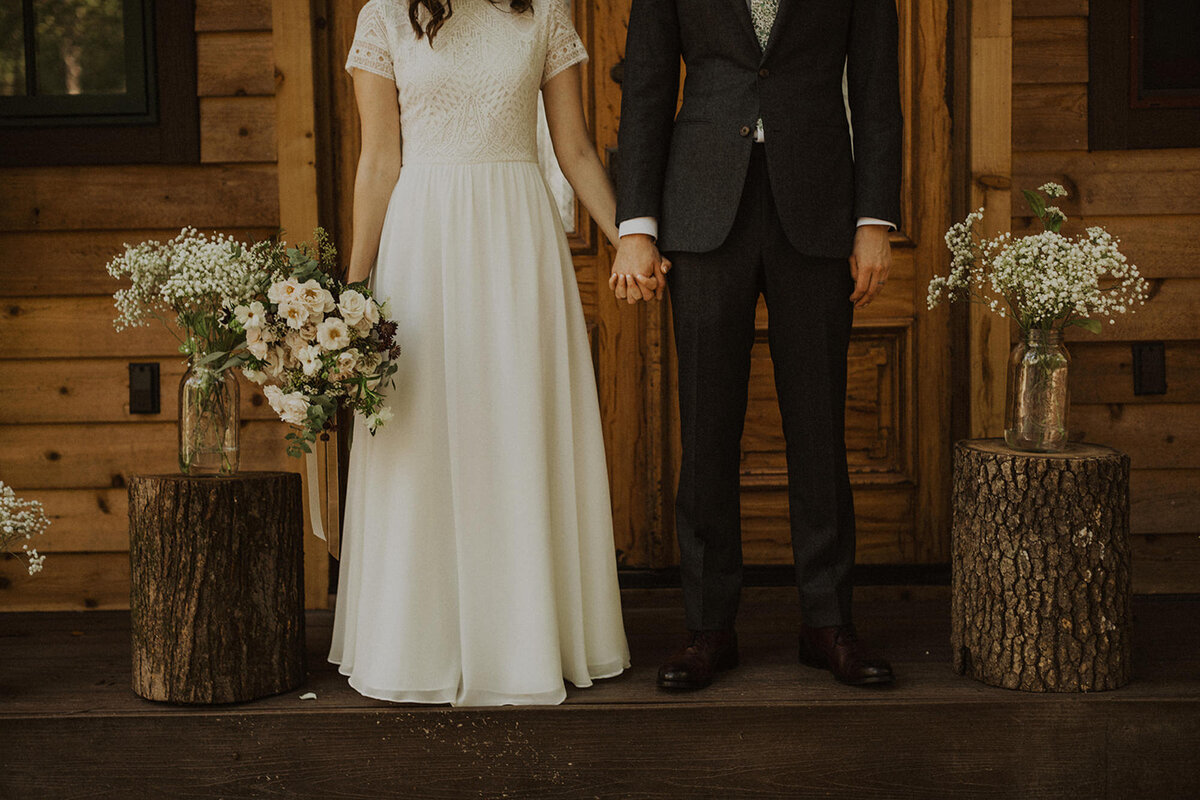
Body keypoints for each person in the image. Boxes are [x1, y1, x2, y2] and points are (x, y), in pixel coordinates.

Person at [330, 0, 630, 707]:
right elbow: (377, 163)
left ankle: (527, 639)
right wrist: (352, 290)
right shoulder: (383, 17)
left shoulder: (544, 14)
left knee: (514, 425)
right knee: (422, 433)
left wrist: (630, 239)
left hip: (515, 234)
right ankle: (416, 642)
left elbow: (576, 149)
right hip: (422, 243)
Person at [613, 0, 901, 688]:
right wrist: (636, 224)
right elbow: (649, 84)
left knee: (818, 424)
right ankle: (709, 629)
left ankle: (827, 623)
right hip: (704, 207)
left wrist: (874, 218)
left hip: (820, 204)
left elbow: (877, 85)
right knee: (707, 427)